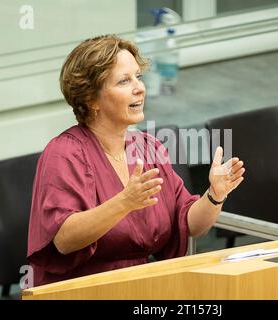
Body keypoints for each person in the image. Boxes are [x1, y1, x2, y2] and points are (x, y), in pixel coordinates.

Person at [27, 34, 245, 287]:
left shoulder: (148, 147)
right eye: (124, 81)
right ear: (91, 99)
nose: (139, 87)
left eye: (138, 77)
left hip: (140, 288)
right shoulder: (64, 153)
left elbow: (189, 223)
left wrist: (215, 195)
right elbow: (64, 239)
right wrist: (124, 202)